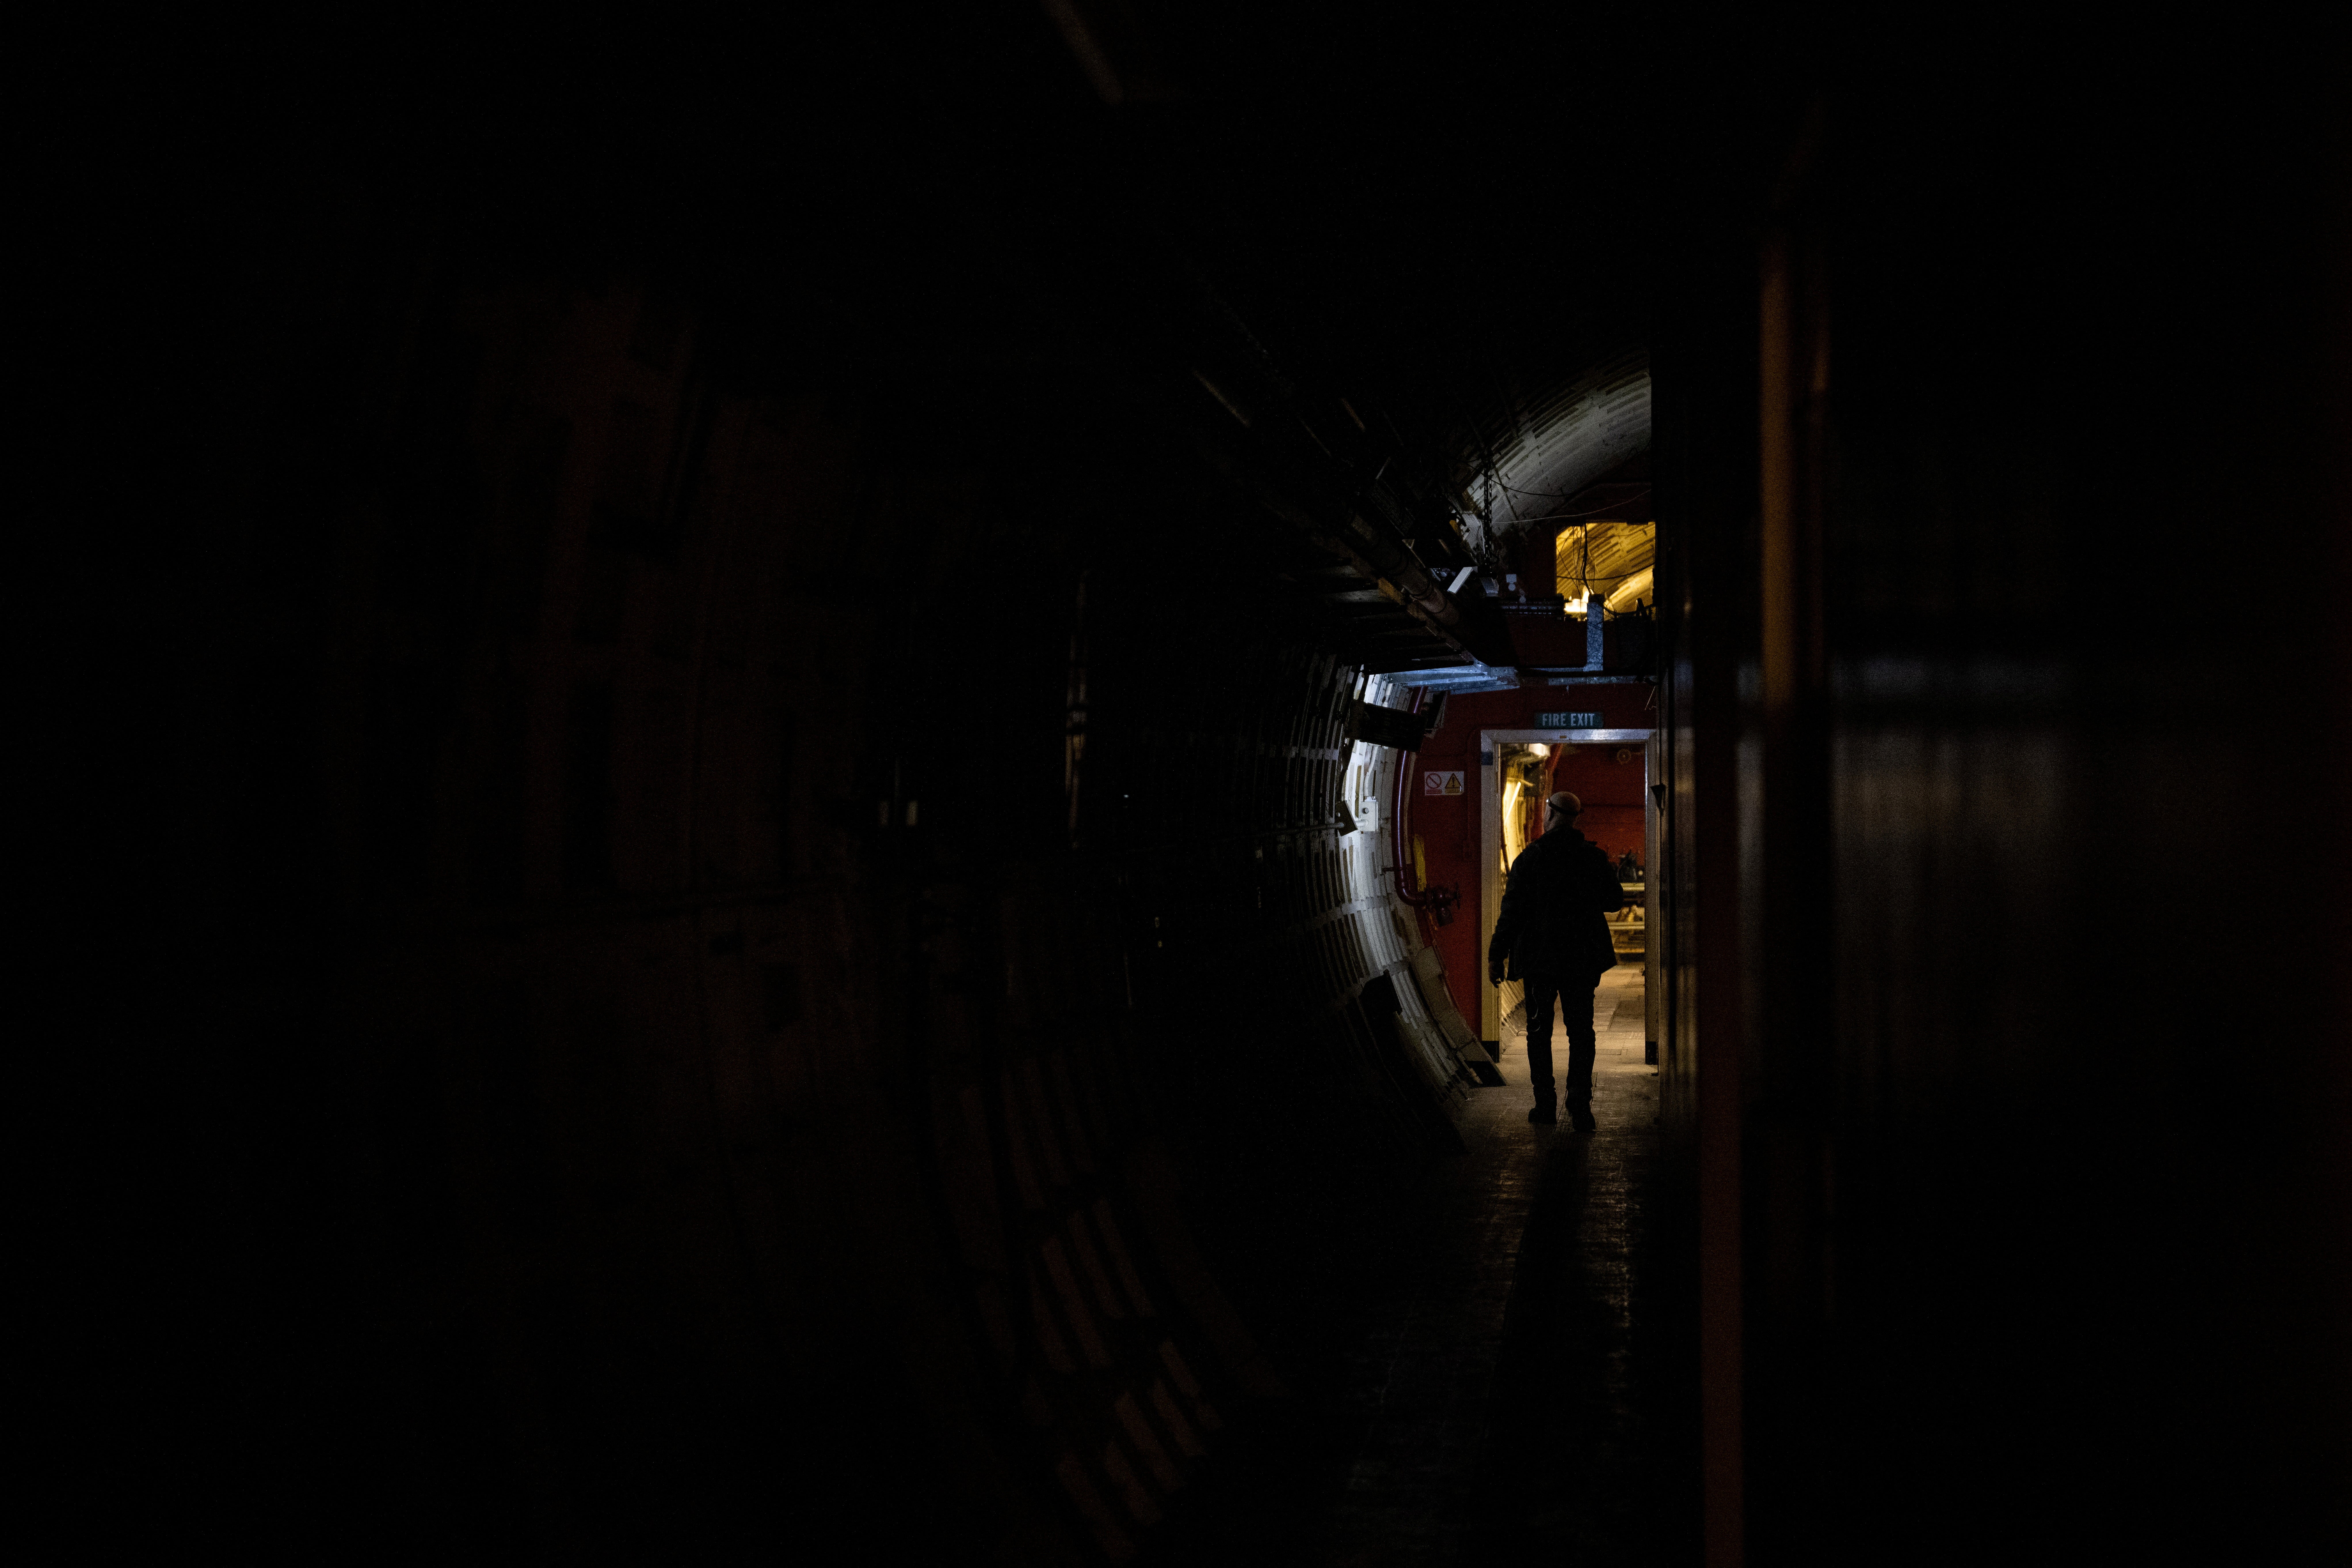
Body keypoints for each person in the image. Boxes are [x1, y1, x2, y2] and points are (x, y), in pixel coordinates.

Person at [1488, 790, 1624, 1128]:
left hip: (1539, 961)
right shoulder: (1593, 858)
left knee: (1538, 1031)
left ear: (1549, 814)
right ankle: (1580, 1104)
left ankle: (1545, 1105)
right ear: (1575, 818)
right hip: (1581, 960)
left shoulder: (1530, 858)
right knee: (1581, 1031)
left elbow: (1512, 913)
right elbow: (1613, 902)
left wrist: (1497, 955)